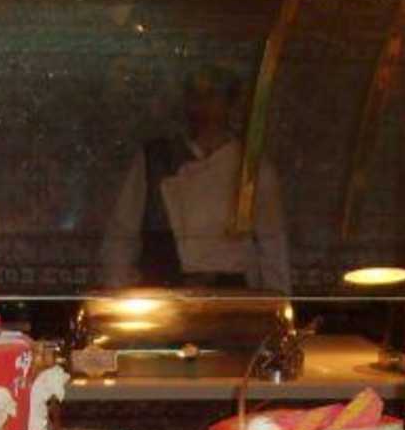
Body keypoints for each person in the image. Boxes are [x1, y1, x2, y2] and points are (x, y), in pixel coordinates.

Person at [98, 65, 292, 293]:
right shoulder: (155, 160)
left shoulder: (252, 167)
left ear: (229, 104)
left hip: (229, 296)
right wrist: (116, 292)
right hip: (163, 294)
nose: (203, 106)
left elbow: (272, 244)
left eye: (212, 96)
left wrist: (277, 302)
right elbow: (121, 235)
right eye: (196, 96)